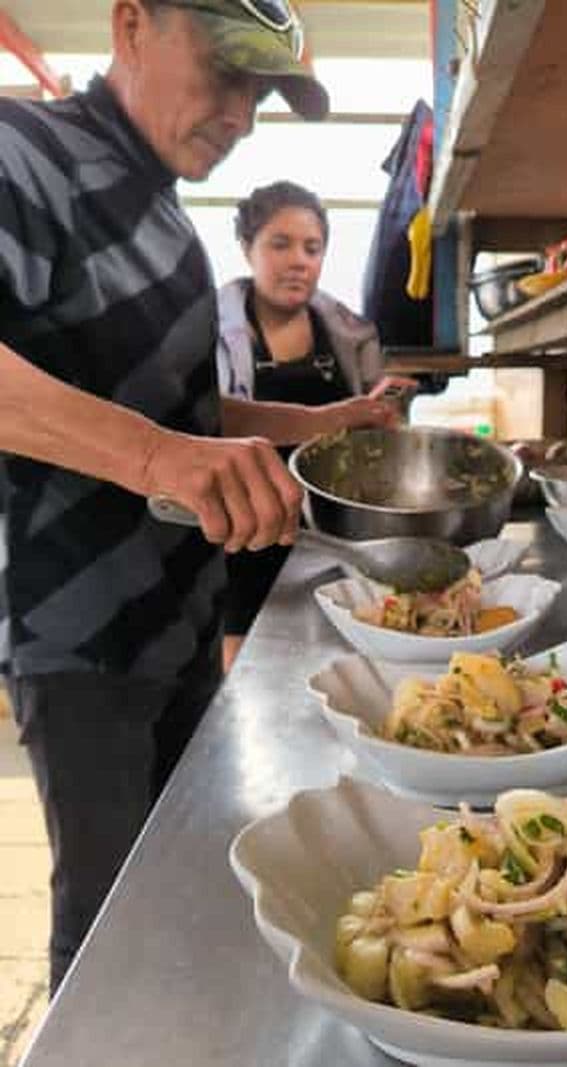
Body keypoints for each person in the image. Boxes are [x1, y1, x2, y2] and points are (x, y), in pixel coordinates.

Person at [0, 0, 394, 994]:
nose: (241, 113)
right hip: (82, 637)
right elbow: (154, 440)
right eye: (225, 73)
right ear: (132, 24)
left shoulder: (167, 214)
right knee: (106, 928)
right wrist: (159, 459)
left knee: (178, 887)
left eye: (259, 90)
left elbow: (167, 403)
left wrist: (315, 425)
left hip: (181, 619)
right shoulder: (26, 153)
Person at [216, 180, 414, 668]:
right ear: (247, 249)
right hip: (249, 527)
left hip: (337, 533)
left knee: (342, 662)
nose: (299, 260)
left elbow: (378, 440)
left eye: (313, 247)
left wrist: (388, 413)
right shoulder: (211, 332)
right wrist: (326, 419)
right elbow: (207, 425)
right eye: (279, 244)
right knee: (246, 673)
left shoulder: (351, 333)